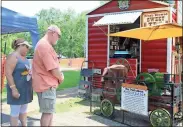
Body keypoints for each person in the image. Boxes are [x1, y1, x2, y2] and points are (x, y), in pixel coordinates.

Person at [32, 25, 64, 126]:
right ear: (52, 33)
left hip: (45, 85)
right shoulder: (44, 46)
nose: (58, 39)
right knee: (47, 113)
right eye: (59, 36)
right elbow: (54, 70)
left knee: (49, 113)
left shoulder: (42, 44)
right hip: (46, 85)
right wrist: (61, 77)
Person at [5, 38, 33, 126]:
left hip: (25, 89)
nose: (28, 49)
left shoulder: (24, 58)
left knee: (24, 110)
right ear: (21, 45)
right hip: (16, 89)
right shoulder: (13, 56)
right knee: (15, 112)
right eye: (27, 47)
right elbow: (8, 73)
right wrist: (13, 89)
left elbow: (22, 72)